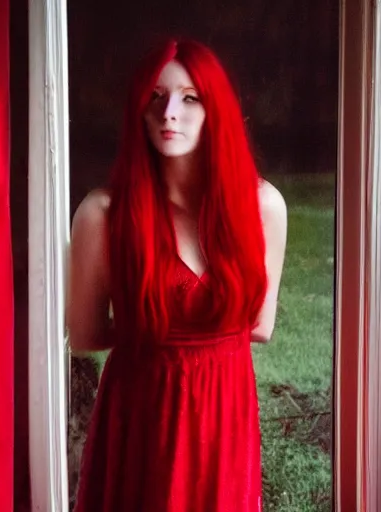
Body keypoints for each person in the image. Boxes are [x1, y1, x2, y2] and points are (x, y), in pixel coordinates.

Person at [67, 38, 287, 512]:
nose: (170, 112)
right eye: (155, 96)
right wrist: (156, 335)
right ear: (137, 110)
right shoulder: (103, 213)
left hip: (224, 420)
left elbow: (260, 326)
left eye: (190, 98)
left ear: (216, 112)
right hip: (142, 420)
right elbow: (84, 333)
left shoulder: (262, 206)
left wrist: (161, 329)